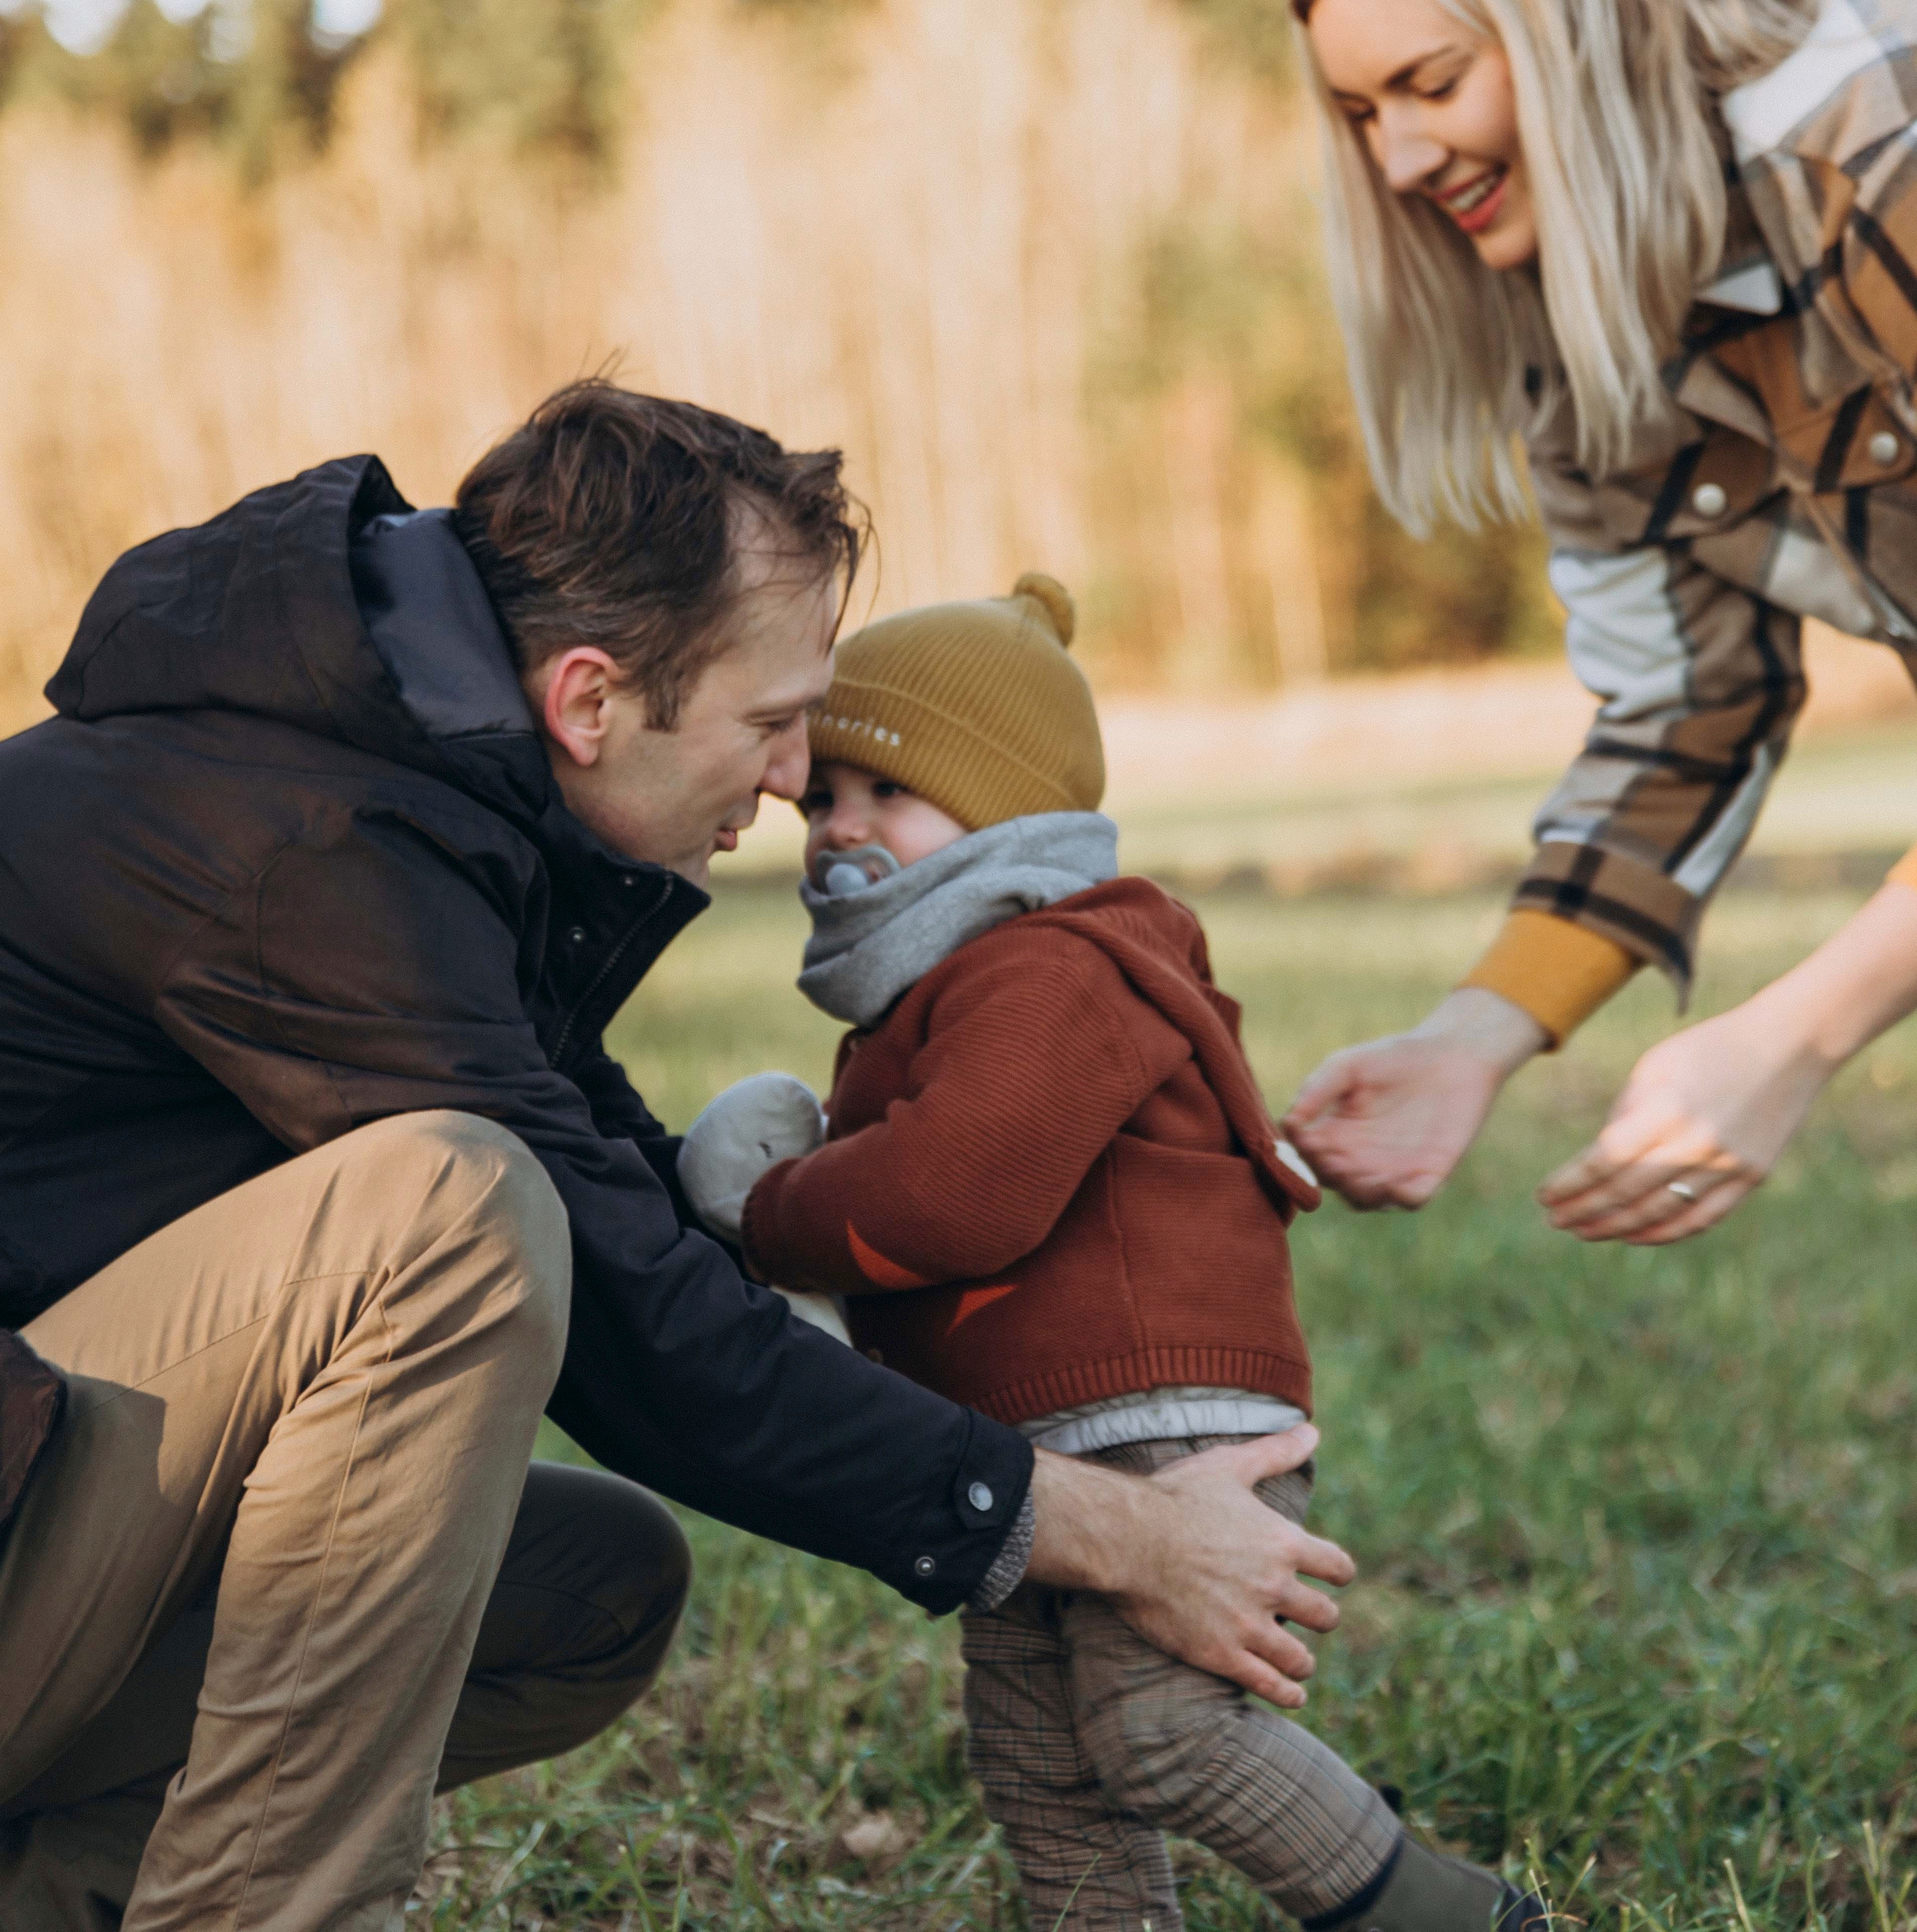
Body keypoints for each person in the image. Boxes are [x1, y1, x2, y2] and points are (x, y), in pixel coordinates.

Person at [0, 382, 1357, 1931]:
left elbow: (636, 1228)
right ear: (589, 700)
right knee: (445, 1210)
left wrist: (1053, 1412)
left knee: (585, 1590)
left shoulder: (422, 801)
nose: (792, 783)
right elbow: (627, 1313)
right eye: (774, 724)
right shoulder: (297, 852)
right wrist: (1098, 1528)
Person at [675, 577, 1546, 1932]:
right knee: (1042, 1761)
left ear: (1009, 807)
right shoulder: (947, 984)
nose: (838, 828)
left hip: (1156, 1420)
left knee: (1162, 1731)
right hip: (1034, 1443)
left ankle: (1462, 1919)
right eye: (821, 795)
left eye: (884, 793)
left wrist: (768, 1209)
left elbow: (956, 1198)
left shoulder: (1057, 964)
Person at [1278, 0, 1917, 1245]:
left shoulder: (1878, 154)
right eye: (1362, 115)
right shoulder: (1591, 315)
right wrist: (1475, 1033)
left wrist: (1800, 1031)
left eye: (1433, 82)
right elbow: (1689, 710)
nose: (1398, 163)